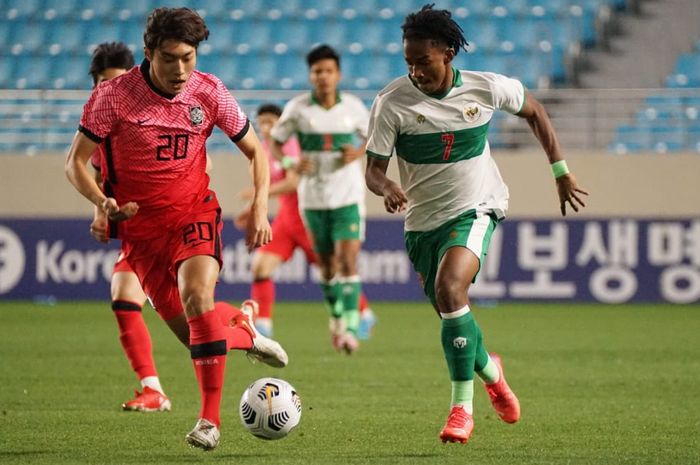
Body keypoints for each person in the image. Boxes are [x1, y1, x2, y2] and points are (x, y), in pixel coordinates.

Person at [65, 7, 288, 451]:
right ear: (147, 54)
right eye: (170, 58)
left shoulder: (209, 92)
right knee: (196, 334)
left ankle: (209, 421)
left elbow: (256, 153)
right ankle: (242, 327)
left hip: (194, 214)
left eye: (189, 57)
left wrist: (261, 206)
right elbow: (74, 163)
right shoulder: (112, 97)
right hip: (142, 236)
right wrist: (100, 202)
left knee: (197, 297)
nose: (182, 70)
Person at [364, 4, 589, 444]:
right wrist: (386, 185)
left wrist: (560, 171)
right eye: (408, 63)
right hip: (422, 222)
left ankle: (460, 411)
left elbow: (536, 111)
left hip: (477, 206)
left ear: (447, 53)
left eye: (423, 62)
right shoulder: (392, 103)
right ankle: (494, 375)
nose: (415, 72)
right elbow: (372, 169)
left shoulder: (486, 88)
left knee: (451, 290)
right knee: (453, 314)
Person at [235, 104, 376, 340]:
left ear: (282, 124)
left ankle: (364, 312)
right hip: (286, 221)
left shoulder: (290, 146)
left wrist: (260, 193)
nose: (267, 127)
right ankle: (264, 324)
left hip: (306, 218)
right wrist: (252, 208)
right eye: (262, 122)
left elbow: (293, 183)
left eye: (272, 121)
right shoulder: (264, 152)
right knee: (260, 267)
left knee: (332, 269)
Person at [86, 41, 173, 413]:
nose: (112, 90)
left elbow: (198, 167)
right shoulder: (97, 130)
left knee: (193, 316)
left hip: (171, 228)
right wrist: (100, 213)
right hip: (136, 235)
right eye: (104, 83)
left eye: (118, 81)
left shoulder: (152, 119)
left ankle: (242, 325)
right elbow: (96, 175)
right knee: (123, 297)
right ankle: (153, 389)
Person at [270, 45, 371, 353]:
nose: (323, 77)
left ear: (338, 74)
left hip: (348, 196)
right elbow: (275, 142)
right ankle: (337, 316)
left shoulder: (353, 107)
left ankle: (352, 329)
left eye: (328, 71)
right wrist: (289, 163)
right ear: (310, 75)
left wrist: (359, 151)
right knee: (326, 267)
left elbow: (374, 136)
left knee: (348, 260)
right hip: (313, 198)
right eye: (317, 72)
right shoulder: (298, 109)